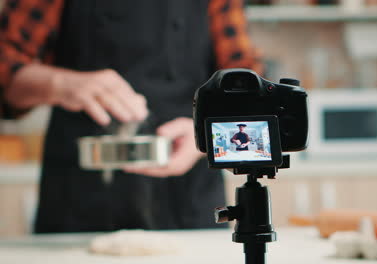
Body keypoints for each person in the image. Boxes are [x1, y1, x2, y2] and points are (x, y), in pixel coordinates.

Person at [0, 0, 262, 233]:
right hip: (77, 198)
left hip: (188, 200)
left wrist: (203, 139)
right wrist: (59, 84)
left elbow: (249, 92)